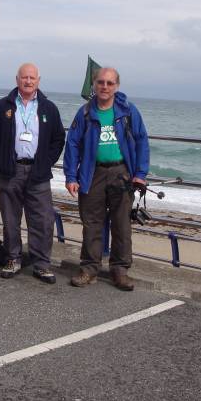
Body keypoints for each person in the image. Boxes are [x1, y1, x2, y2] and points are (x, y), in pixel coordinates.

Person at [63, 67, 149, 290]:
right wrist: (71, 176)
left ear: (117, 86)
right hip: (93, 173)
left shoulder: (129, 112)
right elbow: (72, 144)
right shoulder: (84, 113)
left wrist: (140, 174)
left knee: (121, 224)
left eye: (110, 83)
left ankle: (119, 270)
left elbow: (141, 141)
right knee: (91, 223)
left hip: (122, 173)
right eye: (100, 82)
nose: (104, 86)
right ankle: (89, 269)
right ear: (94, 85)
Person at [0, 63, 66, 283]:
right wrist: (0, 157)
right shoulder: (4, 106)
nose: (28, 81)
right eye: (24, 77)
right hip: (10, 171)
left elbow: (59, 139)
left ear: (39, 80)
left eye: (32, 78)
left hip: (38, 172)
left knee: (42, 220)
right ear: (17, 79)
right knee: (10, 218)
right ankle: (13, 259)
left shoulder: (49, 108)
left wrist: (46, 162)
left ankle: (41, 264)